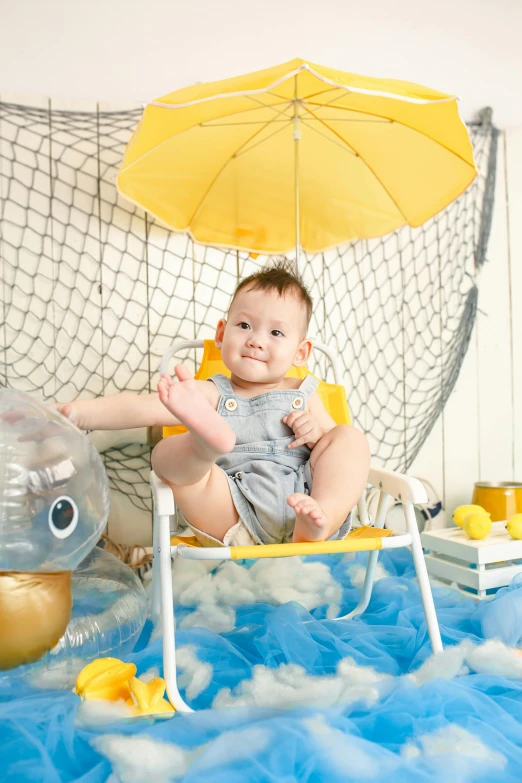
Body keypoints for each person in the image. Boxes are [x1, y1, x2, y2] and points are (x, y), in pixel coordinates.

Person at [57, 262, 370, 547]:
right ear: (222, 333)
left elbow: (337, 453)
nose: (256, 340)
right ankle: (205, 446)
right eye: (244, 326)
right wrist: (79, 414)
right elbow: (139, 407)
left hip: (306, 498)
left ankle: (322, 518)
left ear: (300, 353)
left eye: (275, 332)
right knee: (166, 453)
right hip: (232, 514)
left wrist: (318, 436)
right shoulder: (211, 393)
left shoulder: (304, 393)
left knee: (349, 438)